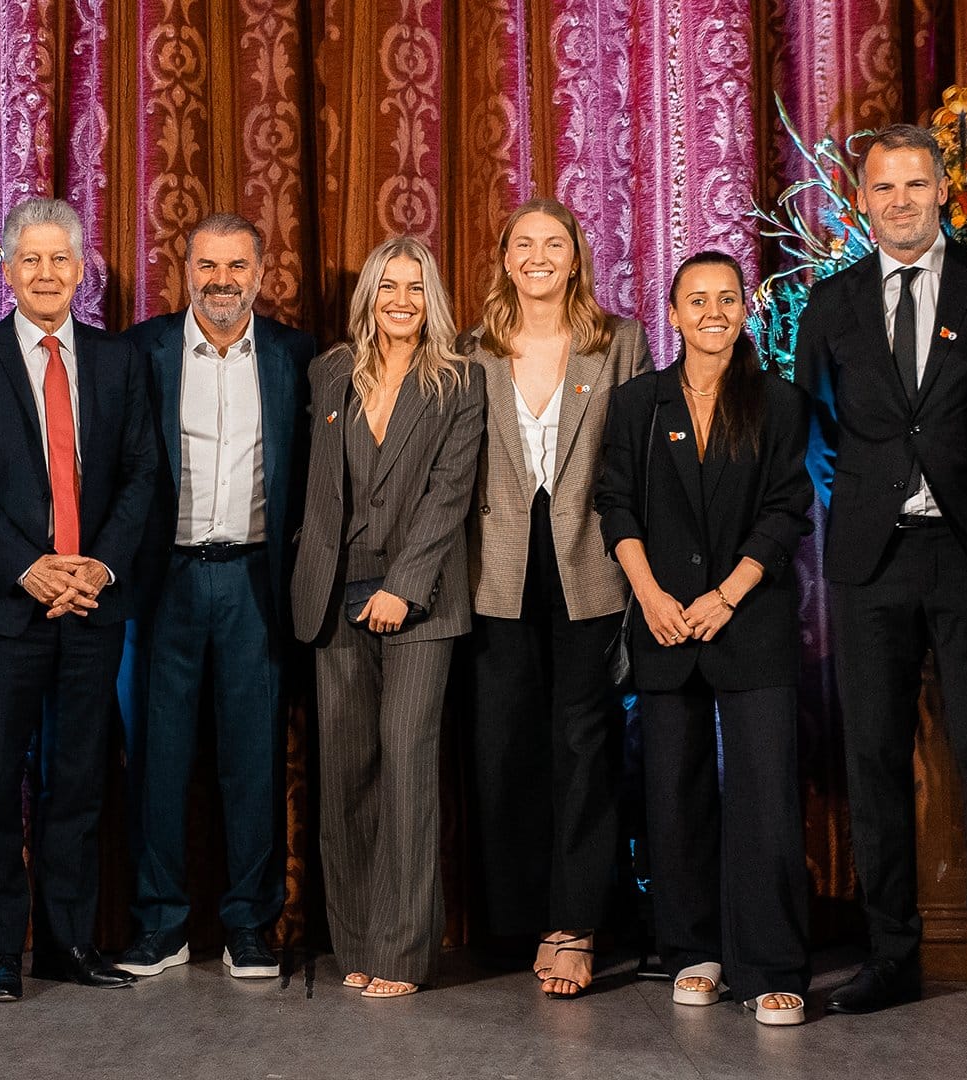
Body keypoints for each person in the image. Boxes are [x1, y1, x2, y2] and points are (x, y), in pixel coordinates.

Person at [795, 123, 967, 1026]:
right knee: (872, 762)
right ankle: (891, 955)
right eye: (883, 187)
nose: (900, 200)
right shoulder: (830, 304)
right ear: (861, 199)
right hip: (871, 562)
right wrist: (865, 505)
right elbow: (817, 431)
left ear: (944, 190)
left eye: (915, 184)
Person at [0, 197, 157, 1002]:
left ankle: (68, 943)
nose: (44, 273)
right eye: (29, 260)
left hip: (94, 606)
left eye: (58, 260)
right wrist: (29, 566)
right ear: (7, 270)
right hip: (4, 608)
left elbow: (141, 473)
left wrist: (95, 566)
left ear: (80, 269)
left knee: (79, 781)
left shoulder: (118, 362)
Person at [595, 251, 813, 1025]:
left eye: (727, 298)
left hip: (748, 618)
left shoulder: (780, 401)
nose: (713, 311)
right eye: (697, 299)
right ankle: (694, 953)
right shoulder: (637, 405)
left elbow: (787, 509)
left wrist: (728, 593)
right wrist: (650, 595)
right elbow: (615, 506)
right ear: (675, 313)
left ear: (746, 308)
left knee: (764, 795)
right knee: (675, 795)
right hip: (662, 621)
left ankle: (773, 964)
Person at [115, 214, 316, 979]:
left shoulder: (297, 356)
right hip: (161, 581)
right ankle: (159, 926)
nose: (222, 279)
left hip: (255, 582)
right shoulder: (143, 350)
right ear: (184, 270)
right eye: (208, 265)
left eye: (237, 265)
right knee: (158, 760)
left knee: (253, 760)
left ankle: (249, 926)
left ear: (261, 274)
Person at [461, 197, 648, 998]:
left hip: (590, 568)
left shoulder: (620, 341)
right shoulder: (470, 350)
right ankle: (520, 917)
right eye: (524, 244)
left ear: (576, 257)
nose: (539, 255)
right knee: (504, 750)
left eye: (556, 243)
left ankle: (574, 924)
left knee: (584, 747)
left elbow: (636, 460)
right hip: (493, 572)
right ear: (505, 258)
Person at [291, 235, 484, 998]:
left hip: (420, 602)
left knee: (405, 766)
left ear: (429, 298)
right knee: (346, 775)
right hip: (333, 594)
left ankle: (403, 954)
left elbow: (450, 494)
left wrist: (403, 586)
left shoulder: (459, 382)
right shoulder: (330, 370)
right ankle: (356, 945)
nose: (400, 301)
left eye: (413, 288)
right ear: (368, 295)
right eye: (386, 287)